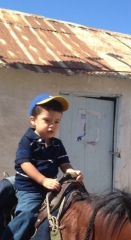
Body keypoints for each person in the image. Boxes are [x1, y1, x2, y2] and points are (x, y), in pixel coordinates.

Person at [2, 93, 83, 240]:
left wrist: (72, 172)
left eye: (57, 121)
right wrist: (43, 180)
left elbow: (64, 163)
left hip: (50, 187)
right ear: (33, 120)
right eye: (47, 120)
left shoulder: (57, 144)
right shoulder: (28, 140)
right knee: (28, 213)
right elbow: (25, 164)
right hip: (30, 188)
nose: (52, 125)